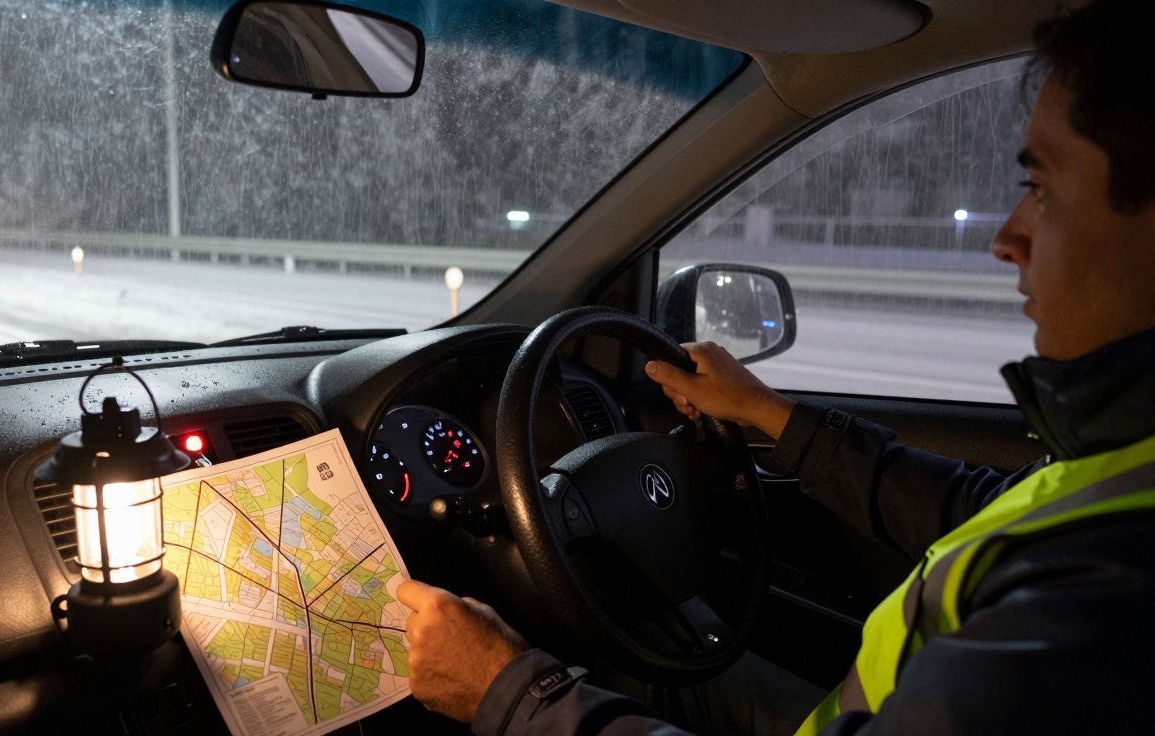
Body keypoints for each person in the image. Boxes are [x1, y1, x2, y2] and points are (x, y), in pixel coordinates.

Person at [396, 0, 1155, 732]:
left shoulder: (1094, 614)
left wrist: (507, 691)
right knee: (658, 664)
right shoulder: (1119, 468)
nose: (1007, 238)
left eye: (1042, 189)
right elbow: (979, 509)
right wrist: (767, 413)